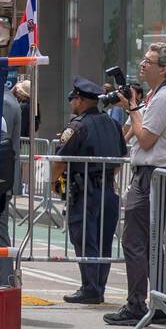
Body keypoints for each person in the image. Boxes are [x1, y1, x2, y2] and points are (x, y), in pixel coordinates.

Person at [106, 42, 166, 327]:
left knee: (135, 241)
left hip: (153, 176)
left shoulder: (165, 97)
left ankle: (137, 304)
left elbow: (146, 138)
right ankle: (163, 305)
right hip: (154, 175)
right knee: (150, 242)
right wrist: (134, 107)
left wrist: (131, 108)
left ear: (162, 68)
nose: (142, 64)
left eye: (148, 61)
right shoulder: (160, 94)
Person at [52, 78, 125, 305]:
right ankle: (98, 287)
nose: (72, 103)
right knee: (103, 242)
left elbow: (60, 160)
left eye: (73, 98)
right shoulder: (113, 124)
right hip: (108, 190)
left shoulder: (77, 126)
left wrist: (53, 184)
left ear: (81, 100)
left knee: (84, 239)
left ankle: (90, 288)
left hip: (85, 193)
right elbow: (120, 159)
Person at [0, 83, 22, 250]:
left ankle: (4, 276)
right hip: (1, 179)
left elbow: (2, 146)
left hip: (0, 180)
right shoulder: (7, 100)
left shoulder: (4, 103)